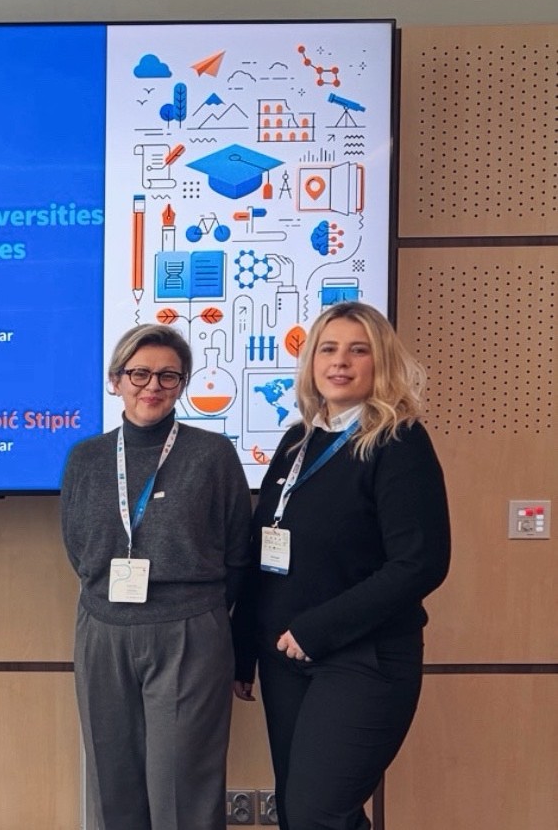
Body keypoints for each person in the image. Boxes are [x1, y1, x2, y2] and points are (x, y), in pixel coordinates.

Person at [231, 301, 451, 830]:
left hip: (362, 659)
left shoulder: (397, 442)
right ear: (310, 362)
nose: (341, 362)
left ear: (381, 363)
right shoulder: (298, 441)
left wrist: (315, 629)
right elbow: (266, 553)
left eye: (359, 350)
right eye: (328, 349)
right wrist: (243, 652)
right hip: (286, 658)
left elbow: (420, 563)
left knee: (318, 814)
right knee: (298, 812)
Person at [61, 324, 251, 830]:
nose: (153, 386)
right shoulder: (87, 458)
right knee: (112, 782)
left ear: (183, 384)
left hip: (188, 629)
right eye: (139, 373)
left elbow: (238, 551)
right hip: (103, 627)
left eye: (169, 376)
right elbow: (78, 547)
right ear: (115, 380)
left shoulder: (213, 455)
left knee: (183, 790)